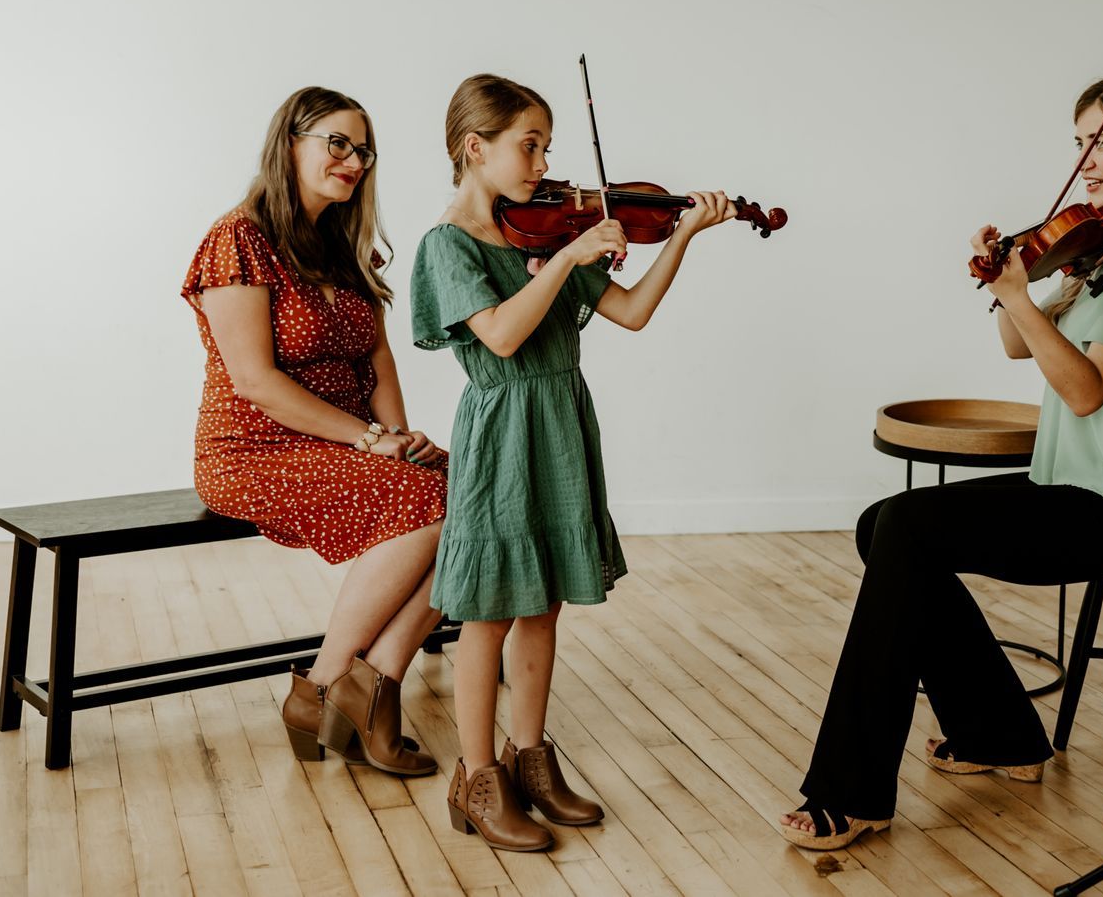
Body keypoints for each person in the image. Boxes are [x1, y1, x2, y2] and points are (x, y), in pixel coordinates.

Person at [780, 72, 1103, 849]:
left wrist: (1023, 292)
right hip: (1077, 486)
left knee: (908, 530)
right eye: (1079, 141)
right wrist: (1019, 280)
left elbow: (1087, 391)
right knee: (882, 525)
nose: (1086, 158)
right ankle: (1001, 735)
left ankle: (852, 789)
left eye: (1102, 138)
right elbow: (1019, 341)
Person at [412, 72, 735, 852]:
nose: (542, 162)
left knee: (543, 599)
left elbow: (631, 311)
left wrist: (682, 233)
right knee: (488, 608)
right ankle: (478, 777)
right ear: (473, 146)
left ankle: (531, 758)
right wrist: (568, 257)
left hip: (559, 419)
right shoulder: (447, 245)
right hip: (502, 429)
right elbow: (500, 336)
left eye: (547, 145)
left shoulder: (546, 230)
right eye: (529, 144)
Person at [182, 86, 450, 777]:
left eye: (364, 148)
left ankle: (366, 681)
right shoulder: (236, 239)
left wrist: (398, 433)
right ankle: (332, 686)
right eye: (338, 142)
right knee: (429, 502)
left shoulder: (343, 246)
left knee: (474, 493)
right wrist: (369, 440)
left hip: (346, 441)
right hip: (253, 450)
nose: (355, 159)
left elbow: (376, 356)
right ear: (289, 143)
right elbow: (256, 382)